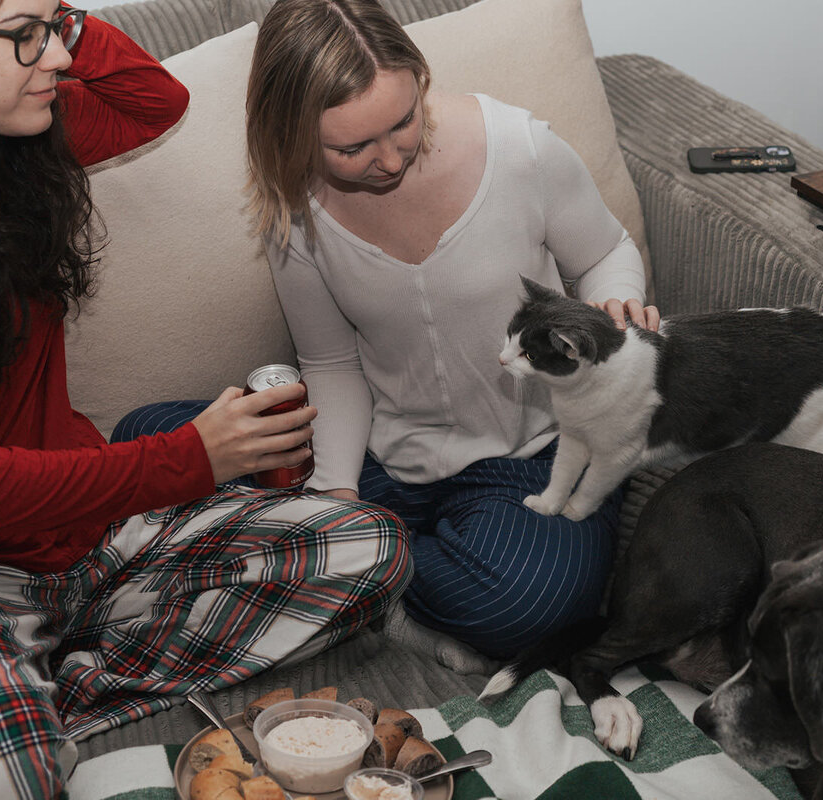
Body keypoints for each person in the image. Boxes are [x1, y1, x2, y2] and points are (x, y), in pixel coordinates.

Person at [0, 0, 411, 796]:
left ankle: (35, 696)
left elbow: (152, 101)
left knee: (367, 547)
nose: (58, 58)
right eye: (28, 36)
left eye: (55, 26)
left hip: (70, 546)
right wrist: (191, 458)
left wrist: (59, 15)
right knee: (8, 778)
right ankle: (8, 719)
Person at [115, 0, 660, 663]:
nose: (390, 156)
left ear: (419, 81)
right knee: (147, 437)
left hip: (528, 457)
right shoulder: (296, 210)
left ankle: (336, 576)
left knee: (526, 605)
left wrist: (617, 306)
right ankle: (358, 564)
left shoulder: (520, 149)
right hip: (381, 458)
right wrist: (336, 500)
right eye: (352, 147)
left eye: (403, 121)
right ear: (293, 136)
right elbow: (332, 362)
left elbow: (605, 254)